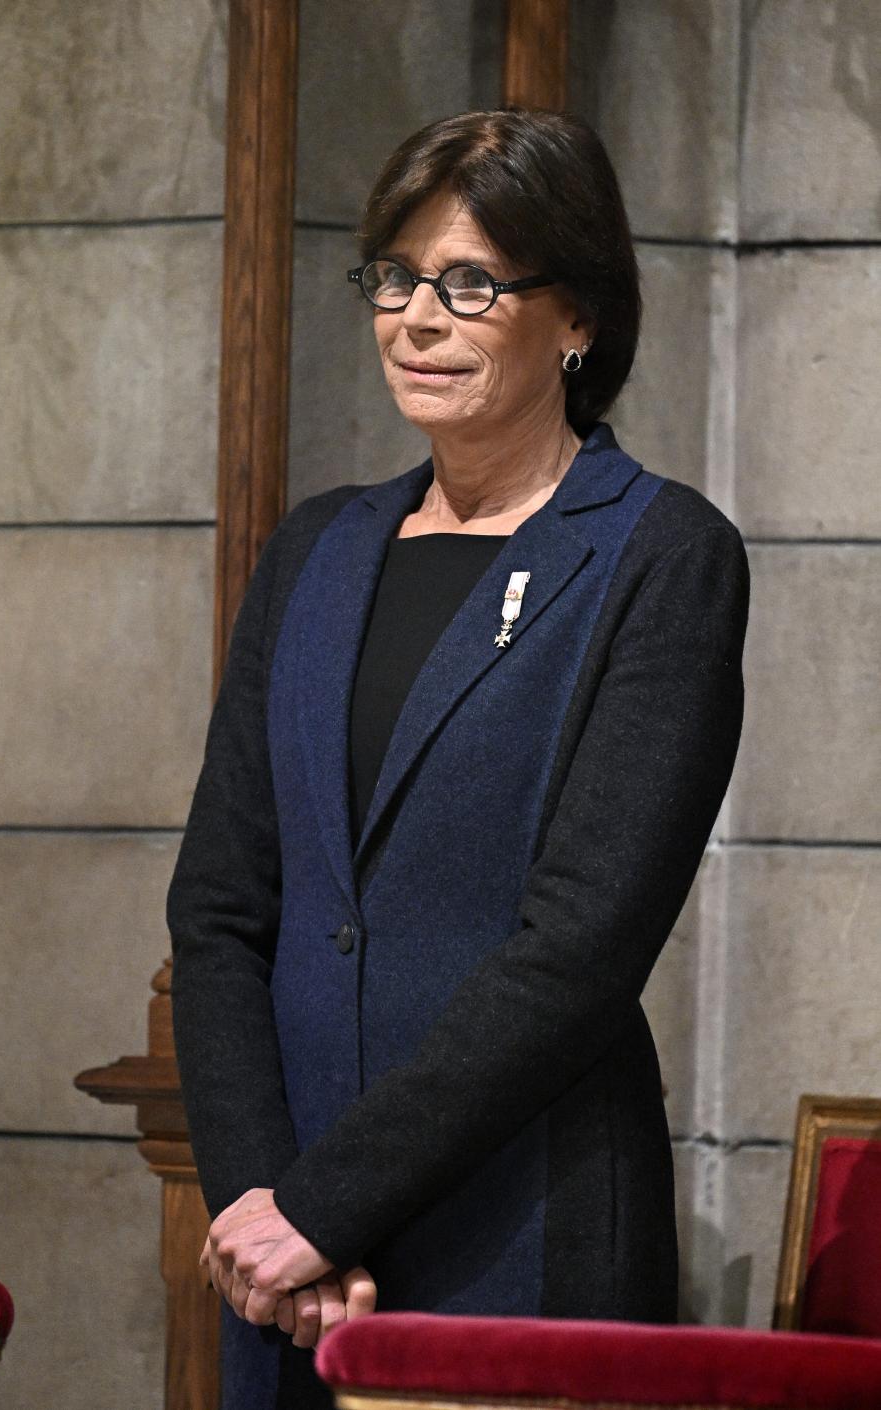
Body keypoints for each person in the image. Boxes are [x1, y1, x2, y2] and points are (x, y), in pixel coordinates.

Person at [166, 107, 750, 1410]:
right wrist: (265, 1206)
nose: (417, 317)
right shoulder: (317, 550)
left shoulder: (660, 554)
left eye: (471, 282)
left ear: (580, 317)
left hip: (521, 1240)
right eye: (397, 275)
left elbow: (581, 947)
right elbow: (219, 909)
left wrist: (327, 1202)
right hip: (294, 1275)